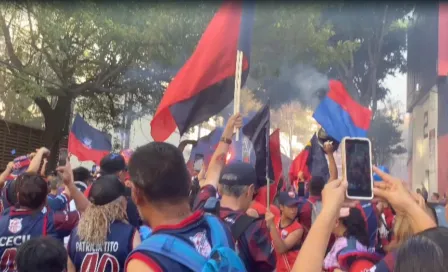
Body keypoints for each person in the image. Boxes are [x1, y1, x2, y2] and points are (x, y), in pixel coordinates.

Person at [126, 141, 236, 271]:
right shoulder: (218, 228)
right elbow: (214, 172)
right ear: (189, 182)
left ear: (136, 194)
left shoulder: (145, 262)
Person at [193, 114, 275, 272]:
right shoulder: (255, 229)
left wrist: (227, 132)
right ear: (250, 191)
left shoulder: (202, 207)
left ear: (221, 188)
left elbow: (214, 170)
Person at [67, 174, 141, 272]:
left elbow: (70, 269)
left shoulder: (76, 233)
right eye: (125, 199)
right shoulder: (130, 234)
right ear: (121, 203)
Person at [99, 153, 142, 228]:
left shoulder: (90, 192)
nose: (126, 173)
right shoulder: (129, 194)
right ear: (120, 173)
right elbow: (135, 228)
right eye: (125, 170)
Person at [266, 191, 304, 272]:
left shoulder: (298, 229)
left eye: (296, 206)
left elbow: (281, 249)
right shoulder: (275, 220)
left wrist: (272, 226)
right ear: (281, 207)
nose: (294, 210)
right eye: (290, 206)